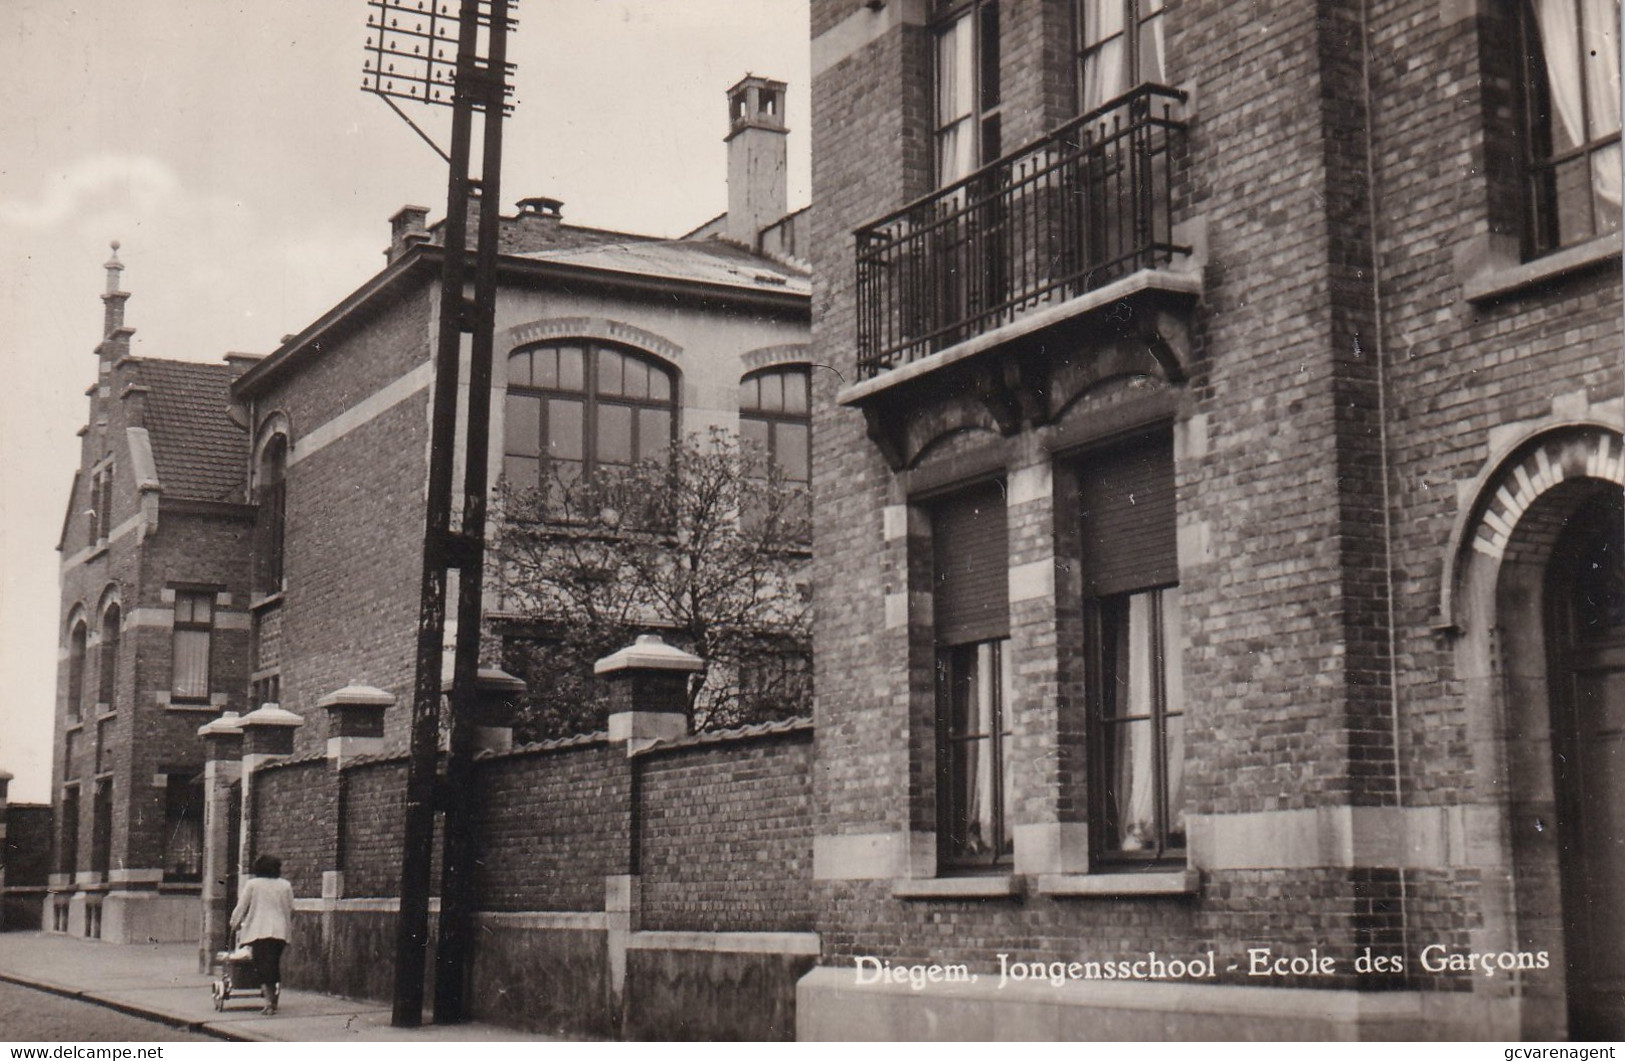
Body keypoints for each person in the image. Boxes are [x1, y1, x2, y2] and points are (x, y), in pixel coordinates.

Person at [230, 854, 294, 1015]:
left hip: (259, 930)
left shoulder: (253, 884)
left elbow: (242, 906)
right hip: (279, 932)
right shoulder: (285, 885)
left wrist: (234, 923)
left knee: (263, 966)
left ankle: (269, 1003)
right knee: (273, 964)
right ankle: (273, 999)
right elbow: (292, 908)